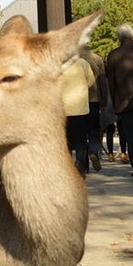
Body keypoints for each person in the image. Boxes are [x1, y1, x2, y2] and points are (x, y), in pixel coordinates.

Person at [106, 23, 133, 177]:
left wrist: (113, 100)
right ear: (132, 35)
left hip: (124, 100)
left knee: (131, 135)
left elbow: (111, 82)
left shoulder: (114, 55)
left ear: (119, 37)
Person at [60, 48, 95, 176]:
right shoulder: (83, 63)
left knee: (66, 141)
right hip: (81, 108)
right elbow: (91, 81)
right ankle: (81, 166)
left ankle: (68, 168)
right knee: (81, 140)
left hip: (63, 109)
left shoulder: (59, 66)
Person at [79, 46, 108, 173]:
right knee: (94, 129)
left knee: (81, 132)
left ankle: (83, 164)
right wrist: (104, 99)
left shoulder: (74, 60)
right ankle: (94, 151)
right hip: (94, 99)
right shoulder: (97, 59)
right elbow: (102, 81)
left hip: (79, 100)